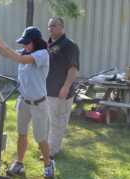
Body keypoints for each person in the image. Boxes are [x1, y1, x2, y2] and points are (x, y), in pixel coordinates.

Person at [0, 27, 55, 179]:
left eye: (27, 43)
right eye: (23, 43)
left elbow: (19, 59)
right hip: (24, 101)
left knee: (40, 138)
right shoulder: (25, 51)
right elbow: (5, 53)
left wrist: (2, 41)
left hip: (39, 104)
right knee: (21, 133)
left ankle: (48, 164)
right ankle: (19, 162)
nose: (24, 46)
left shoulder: (42, 54)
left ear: (35, 42)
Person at [43, 17, 80, 160]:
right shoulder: (47, 45)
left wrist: (66, 87)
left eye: (54, 26)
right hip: (46, 91)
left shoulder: (69, 45)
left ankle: (52, 151)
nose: (50, 28)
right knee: (47, 121)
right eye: (49, 26)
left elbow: (73, 67)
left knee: (57, 122)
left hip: (61, 92)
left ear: (62, 27)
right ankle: (46, 147)